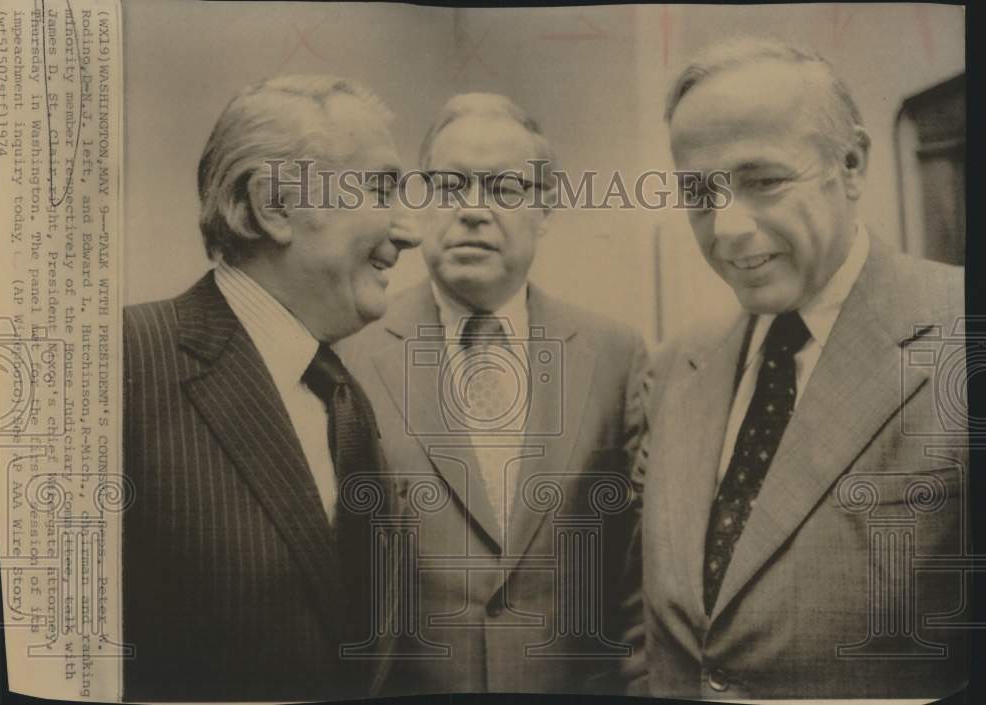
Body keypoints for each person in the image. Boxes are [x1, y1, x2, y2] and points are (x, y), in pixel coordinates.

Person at [633, 39, 968, 699]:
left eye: (762, 180)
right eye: (699, 191)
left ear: (851, 164)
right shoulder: (676, 365)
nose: (726, 228)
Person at [121, 75, 421, 701]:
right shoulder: (121, 362)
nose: (409, 229)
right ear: (273, 207)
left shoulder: (345, 400)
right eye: (380, 188)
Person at [338, 93, 648, 695]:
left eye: (504, 189)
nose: (473, 211)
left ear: (545, 208)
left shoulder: (616, 355)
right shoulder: (351, 353)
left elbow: (639, 578)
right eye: (449, 186)